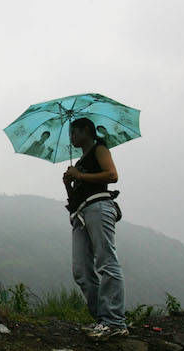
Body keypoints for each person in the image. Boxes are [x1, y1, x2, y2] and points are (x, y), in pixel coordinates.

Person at [63, 117, 128, 339]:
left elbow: (112, 175)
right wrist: (68, 183)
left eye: (74, 132)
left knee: (106, 261)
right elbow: (74, 198)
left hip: (99, 207)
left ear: (86, 131)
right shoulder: (80, 161)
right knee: (81, 269)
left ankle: (114, 321)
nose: (71, 137)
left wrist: (79, 175)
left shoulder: (100, 149)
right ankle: (103, 319)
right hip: (80, 214)